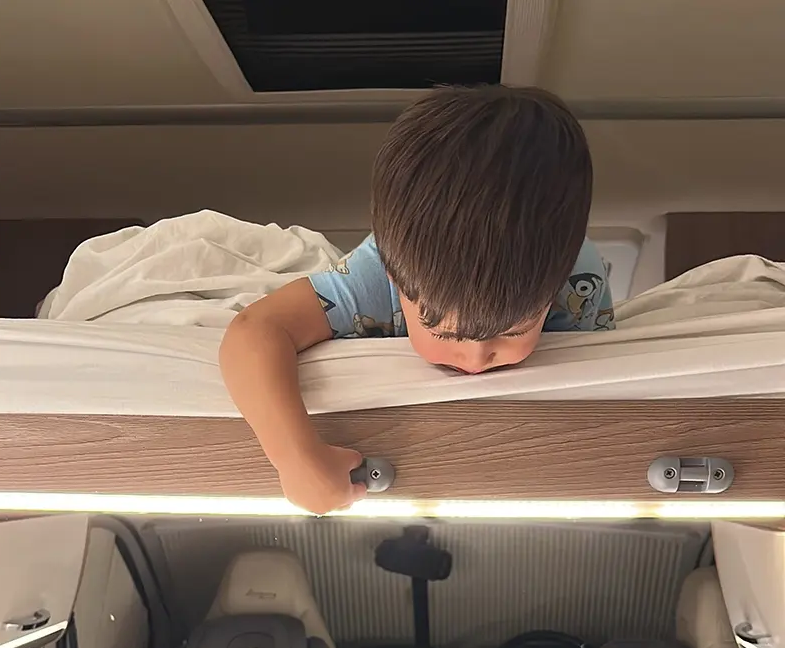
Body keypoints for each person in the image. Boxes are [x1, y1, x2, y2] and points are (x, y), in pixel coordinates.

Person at [220, 85, 614, 515]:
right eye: (445, 332)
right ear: (393, 277)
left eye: (513, 330)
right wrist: (295, 458)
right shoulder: (376, 274)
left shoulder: (579, 274)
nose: (475, 359)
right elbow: (255, 330)